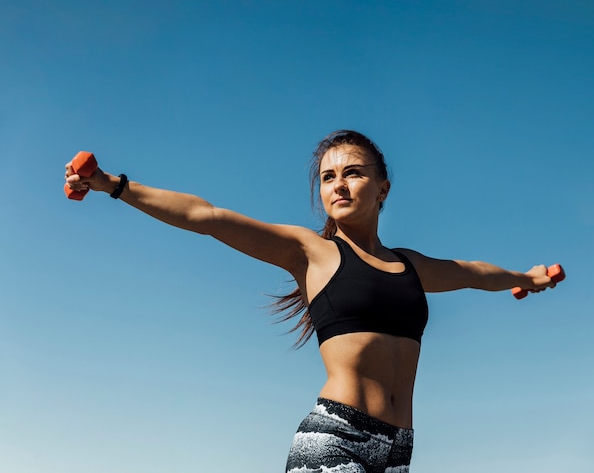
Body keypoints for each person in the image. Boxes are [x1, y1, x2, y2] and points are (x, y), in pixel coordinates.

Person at [65, 130, 559, 473]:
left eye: (353, 173)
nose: (338, 184)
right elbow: (207, 216)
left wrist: (527, 278)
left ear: (383, 187)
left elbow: (474, 273)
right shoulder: (312, 253)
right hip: (335, 437)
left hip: (398, 449)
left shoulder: (411, 265)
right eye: (327, 177)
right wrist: (115, 186)